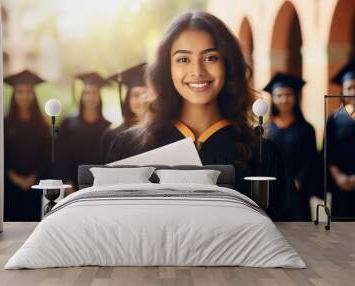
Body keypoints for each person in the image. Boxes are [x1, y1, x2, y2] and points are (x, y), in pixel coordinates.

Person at [107, 11, 293, 221]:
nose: (197, 71)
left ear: (228, 64)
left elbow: (292, 234)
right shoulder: (131, 146)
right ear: (167, 68)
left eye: (210, 57)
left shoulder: (261, 154)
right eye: (183, 59)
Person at [264, 73, 317, 221]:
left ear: (295, 97)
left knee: (300, 232)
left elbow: (311, 158)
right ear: (273, 99)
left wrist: (299, 181)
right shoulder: (265, 129)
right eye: (279, 95)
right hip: (272, 190)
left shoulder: (306, 128)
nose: (284, 99)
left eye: (288, 94)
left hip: (298, 189)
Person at [4, 69, 51, 221]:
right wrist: (15, 178)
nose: (24, 96)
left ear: (33, 95)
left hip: (36, 184)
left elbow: (47, 155)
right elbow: (0, 154)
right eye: (20, 91)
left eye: (28, 91)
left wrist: (33, 177)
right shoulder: (5, 123)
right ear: (14, 95)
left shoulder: (42, 125)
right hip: (10, 185)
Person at [57, 72, 111, 189]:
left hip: (99, 186)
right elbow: (61, 156)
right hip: (71, 185)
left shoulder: (108, 128)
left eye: (94, 93)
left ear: (99, 97)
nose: (90, 97)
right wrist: (67, 183)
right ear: (81, 96)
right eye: (87, 93)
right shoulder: (67, 124)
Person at [326, 59, 355, 218]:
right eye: (349, 87)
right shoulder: (335, 119)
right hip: (341, 185)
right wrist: (339, 177)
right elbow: (328, 152)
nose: (353, 91)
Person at [104, 63, 149, 162]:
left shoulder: (163, 132)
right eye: (136, 95)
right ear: (128, 100)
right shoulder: (113, 135)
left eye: (146, 94)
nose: (142, 100)